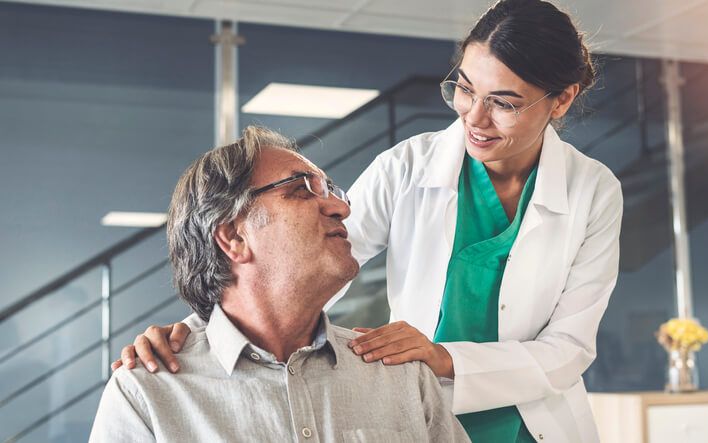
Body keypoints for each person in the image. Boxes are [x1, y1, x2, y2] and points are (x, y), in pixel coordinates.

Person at [115, 1, 623, 441]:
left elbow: (569, 349)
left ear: (562, 99)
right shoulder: (407, 168)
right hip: (425, 411)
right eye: (465, 89)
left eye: (504, 103)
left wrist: (444, 358)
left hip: (537, 425)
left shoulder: (593, 191)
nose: (473, 118)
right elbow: (304, 263)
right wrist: (198, 335)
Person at [90, 127, 469, 442]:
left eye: (330, 192)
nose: (343, 209)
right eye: (302, 190)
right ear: (234, 238)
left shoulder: (401, 374)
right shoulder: (149, 393)